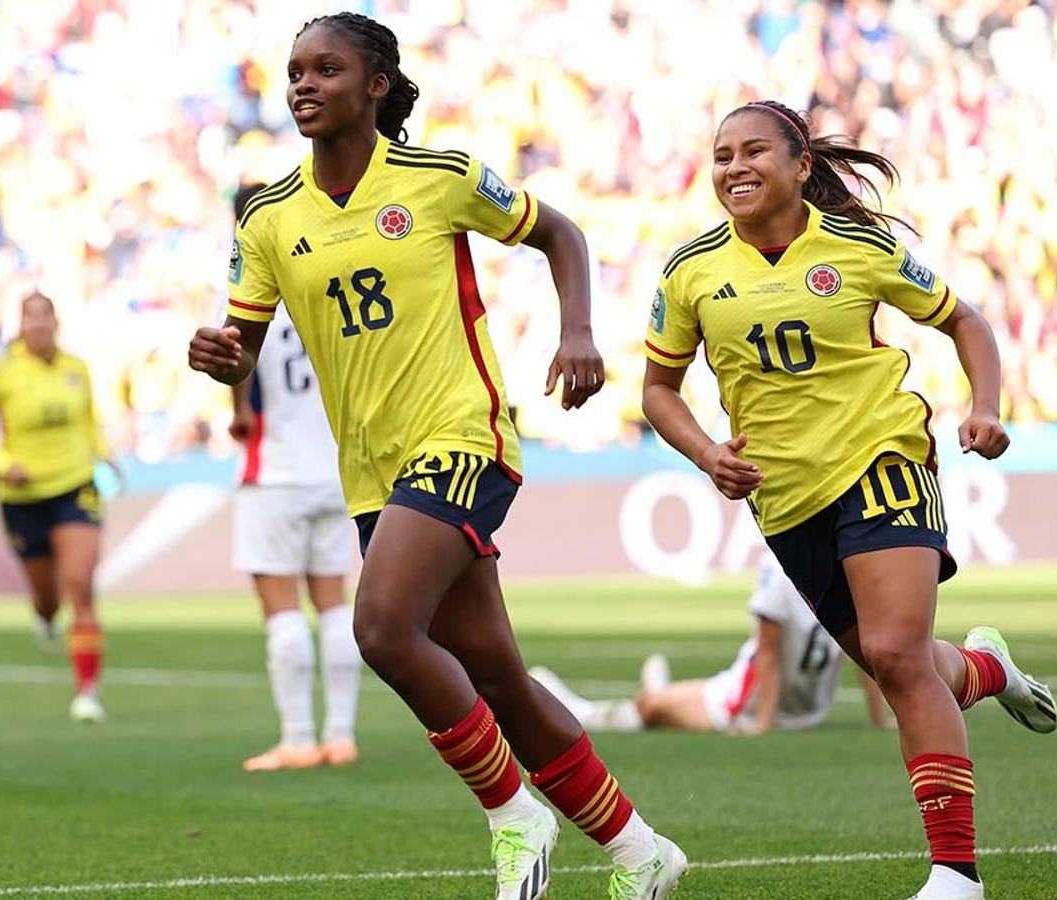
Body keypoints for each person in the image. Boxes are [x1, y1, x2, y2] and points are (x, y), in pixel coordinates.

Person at [188, 14, 685, 899]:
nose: (302, 84)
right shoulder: (268, 218)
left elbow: (561, 234)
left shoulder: (439, 176)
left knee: (379, 627)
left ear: (375, 85)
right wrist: (225, 355)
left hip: (463, 436)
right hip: (373, 471)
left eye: (326, 69)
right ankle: (641, 850)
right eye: (295, 70)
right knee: (496, 675)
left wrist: (578, 333)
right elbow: (246, 343)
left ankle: (512, 814)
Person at [639, 100, 1057, 900]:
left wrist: (986, 405)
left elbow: (965, 320)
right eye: (722, 154)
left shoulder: (859, 246)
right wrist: (704, 453)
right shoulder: (690, 269)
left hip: (882, 457)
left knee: (898, 658)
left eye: (754, 151)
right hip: (784, 497)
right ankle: (988, 669)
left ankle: (955, 874)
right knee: (898, 662)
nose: (734, 167)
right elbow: (658, 388)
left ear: (800, 166)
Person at [228, 181, 364, 772]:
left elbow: (237, 361)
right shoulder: (324, 284)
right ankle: (341, 734)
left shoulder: (251, 291)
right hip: (336, 469)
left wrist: (238, 414)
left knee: (282, 608)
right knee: (334, 604)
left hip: (276, 474)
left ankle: (298, 738)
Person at [0, 291, 114, 723]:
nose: (40, 324)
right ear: (21, 325)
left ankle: (87, 691)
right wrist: (2, 462)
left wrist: (104, 453)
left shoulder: (76, 369)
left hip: (74, 484)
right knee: (48, 598)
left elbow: (87, 420)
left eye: (46, 315)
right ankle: (45, 615)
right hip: (23, 495)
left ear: (56, 321)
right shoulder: (2, 374)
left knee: (80, 584)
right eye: (31, 317)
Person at [531, 554, 892, 735]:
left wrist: (762, 727)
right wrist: (881, 719)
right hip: (807, 708)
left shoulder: (778, 563)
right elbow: (863, 646)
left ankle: (586, 713)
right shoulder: (850, 563)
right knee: (660, 703)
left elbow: (767, 655)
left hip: (747, 701)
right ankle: (660, 692)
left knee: (650, 706)